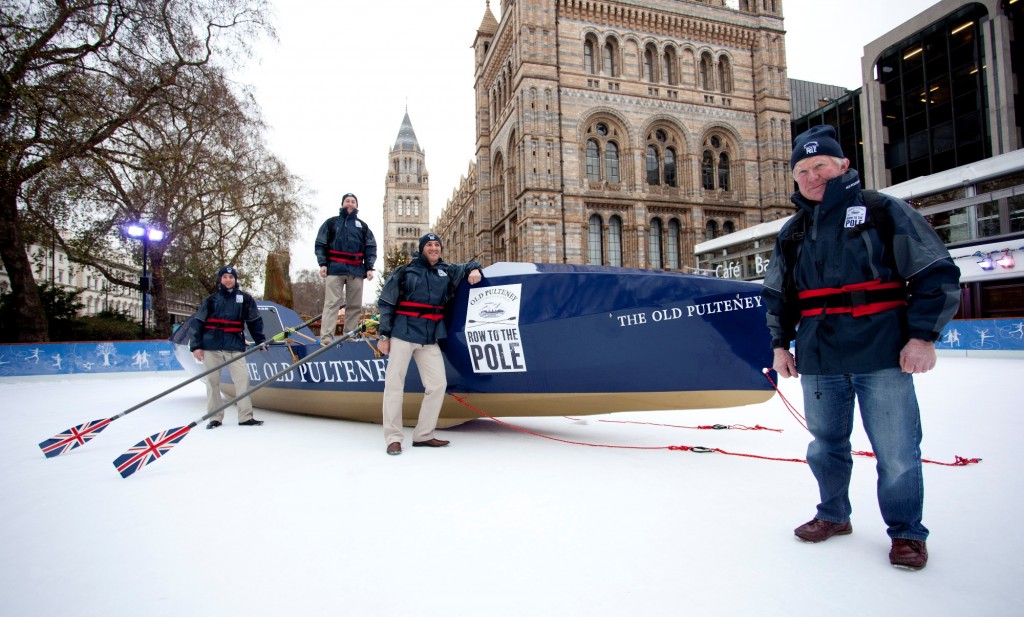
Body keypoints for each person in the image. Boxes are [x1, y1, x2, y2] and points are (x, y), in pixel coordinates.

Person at [761, 125, 961, 570]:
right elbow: (778, 296)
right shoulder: (793, 232)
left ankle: (907, 532)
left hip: (881, 352)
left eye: (821, 166)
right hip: (819, 356)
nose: (813, 176)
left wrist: (922, 336)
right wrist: (779, 346)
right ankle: (833, 514)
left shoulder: (882, 210)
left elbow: (935, 272)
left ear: (843, 166)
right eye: (803, 170)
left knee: (895, 451)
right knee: (826, 445)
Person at [376, 233, 483, 455]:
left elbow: (471, 264)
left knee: (437, 385)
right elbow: (386, 303)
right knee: (394, 386)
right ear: (422, 248)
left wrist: (474, 270)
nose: (434, 248)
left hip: (429, 338)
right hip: (402, 333)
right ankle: (393, 438)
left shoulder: (446, 271)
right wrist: (384, 335)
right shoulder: (405, 271)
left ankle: (423, 435)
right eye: (429, 245)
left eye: (437, 245)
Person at [189, 265, 267, 429]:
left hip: (234, 346)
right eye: (224, 277)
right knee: (212, 382)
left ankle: (245, 417)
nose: (228, 280)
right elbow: (198, 323)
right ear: (220, 279)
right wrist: (196, 346)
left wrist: (260, 341)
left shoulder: (245, 299)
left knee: (242, 379)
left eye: (231, 277)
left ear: (235, 279)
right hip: (211, 346)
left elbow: (254, 321)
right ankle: (215, 418)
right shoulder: (211, 300)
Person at [314, 193, 377, 345]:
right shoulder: (331, 223)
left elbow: (370, 247)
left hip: (355, 270)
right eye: (347, 201)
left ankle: (349, 335)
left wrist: (369, 267)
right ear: (342, 204)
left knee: (354, 305)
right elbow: (321, 243)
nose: (350, 204)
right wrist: (322, 263)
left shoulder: (362, 226)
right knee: (331, 303)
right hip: (335, 269)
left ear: (356, 205)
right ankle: (327, 338)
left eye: (353, 201)